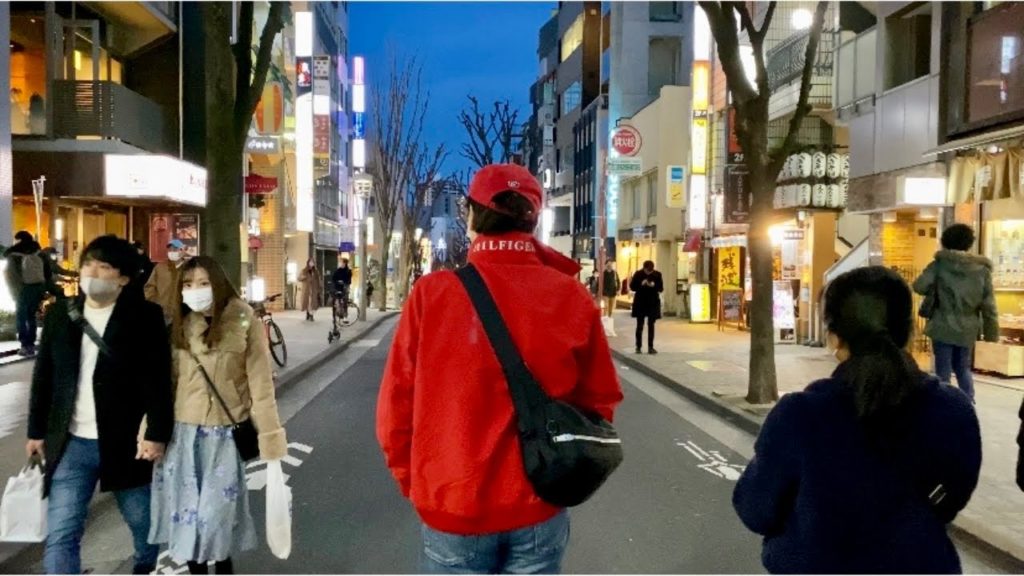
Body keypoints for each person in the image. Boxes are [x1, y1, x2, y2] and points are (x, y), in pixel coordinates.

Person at [377, 163, 623, 575]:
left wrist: (419, 484)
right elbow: (601, 400)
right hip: (539, 506)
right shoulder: (571, 296)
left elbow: (394, 412)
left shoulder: (431, 296)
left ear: (471, 215)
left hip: (452, 504)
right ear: (533, 218)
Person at [734, 266, 982, 574]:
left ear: (834, 336)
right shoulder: (952, 410)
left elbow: (755, 509)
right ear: (908, 330)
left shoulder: (801, 415)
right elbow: (951, 498)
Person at [26, 235, 173, 575]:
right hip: (71, 443)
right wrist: (36, 431)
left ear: (123, 277)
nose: (92, 272)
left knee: (143, 523)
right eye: (88, 263)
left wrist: (157, 433)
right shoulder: (63, 313)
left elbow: (158, 381)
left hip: (126, 444)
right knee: (62, 532)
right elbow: (44, 375)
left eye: (104, 266)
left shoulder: (145, 317)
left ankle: (144, 565)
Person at [150, 256, 287, 575]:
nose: (194, 290)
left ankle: (223, 568)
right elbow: (165, 385)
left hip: (225, 436)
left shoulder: (244, 320)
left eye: (202, 283)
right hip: (184, 435)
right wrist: (151, 430)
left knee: (216, 520)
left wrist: (270, 438)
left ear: (218, 284)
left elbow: (261, 385)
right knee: (190, 521)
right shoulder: (179, 325)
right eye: (187, 284)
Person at [913, 224, 999, 401]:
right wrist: (991, 334)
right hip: (968, 327)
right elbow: (989, 305)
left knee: (942, 370)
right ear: (969, 243)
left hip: (942, 324)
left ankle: (942, 405)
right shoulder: (982, 270)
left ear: (945, 241)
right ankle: (968, 402)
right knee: (962, 368)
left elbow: (919, 286)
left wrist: (936, 289)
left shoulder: (939, 265)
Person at [5, 231, 52, 356]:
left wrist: (15, 292)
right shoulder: (39, 253)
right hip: (38, 288)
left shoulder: (14, 255)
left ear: (19, 240)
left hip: (23, 289)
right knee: (31, 317)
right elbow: (48, 273)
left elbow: (12, 276)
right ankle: (30, 345)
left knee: (21, 318)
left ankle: (24, 345)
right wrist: (45, 290)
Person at [145, 239, 188, 325]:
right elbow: (149, 287)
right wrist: (155, 305)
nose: (172, 252)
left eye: (175, 249)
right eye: (170, 249)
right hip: (162, 314)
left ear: (182, 251)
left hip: (183, 315)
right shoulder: (160, 268)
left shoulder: (188, 268)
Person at [630, 260, 664, 354]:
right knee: (639, 325)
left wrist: (653, 285)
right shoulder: (638, 274)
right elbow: (632, 287)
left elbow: (661, 288)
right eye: (647, 271)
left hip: (652, 302)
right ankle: (638, 346)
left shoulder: (657, 274)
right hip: (640, 302)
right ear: (644, 268)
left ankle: (650, 347)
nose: (649, 273)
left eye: (650, 271)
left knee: (651, 325)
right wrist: (641, 283)